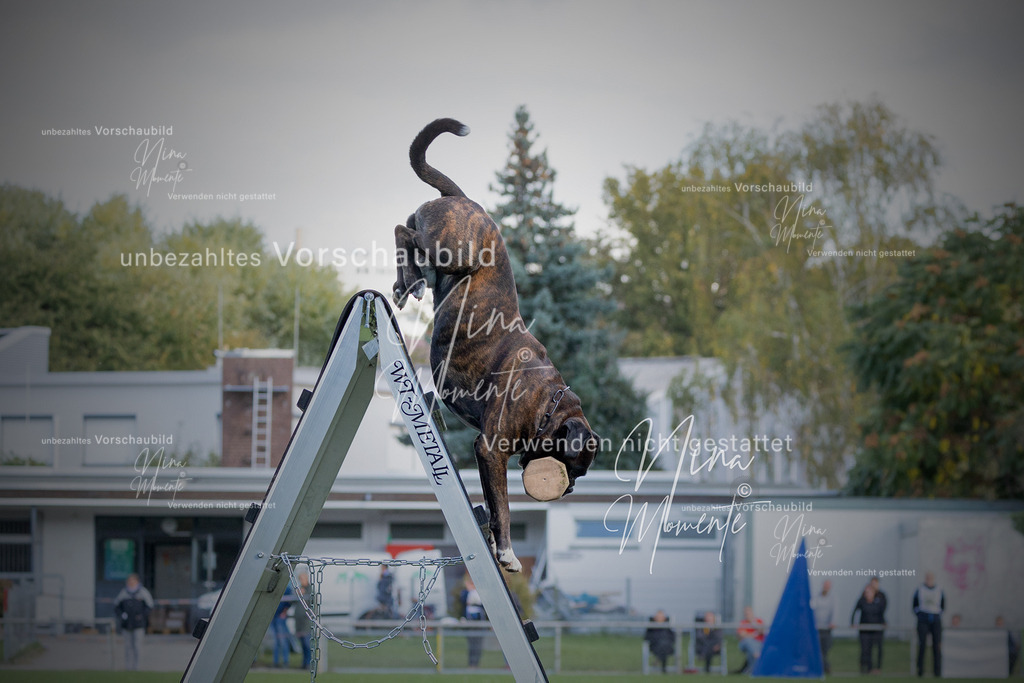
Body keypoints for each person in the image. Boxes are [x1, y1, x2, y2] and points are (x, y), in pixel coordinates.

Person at [114, 573, 154, 671]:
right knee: (127, 647)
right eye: (129, 581)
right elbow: (117, 606)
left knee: (137, 646)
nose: (131, 583)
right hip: (126, 624)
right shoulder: (124, 592)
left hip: (138, 624)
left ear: (137, 581)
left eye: (133, 581)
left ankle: (137, 667)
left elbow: (149, 607)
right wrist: (122, 615)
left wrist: (142, 616)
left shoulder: (143, 592)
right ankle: (128, 667)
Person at [912, 571, 945, 677]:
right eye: (927, 578)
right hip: (923, 620)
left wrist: (937, 615)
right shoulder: (920, 589)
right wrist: (920, 615)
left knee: (937, 647)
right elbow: (914, 605)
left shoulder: (939, 590)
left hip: (935, 620)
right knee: (922, 646)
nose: (929, 580)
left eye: (931, 578)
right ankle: (920, 671)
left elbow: (943, 605)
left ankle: (937, 672)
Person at [852, 583, 886, 674]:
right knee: (864, 649)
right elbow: (855, 611)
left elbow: (881, 614)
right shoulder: (862, 601)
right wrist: (852, 623)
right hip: (864, 629)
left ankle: (872, 668)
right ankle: (863, 667)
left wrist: (883, 622)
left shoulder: (877, 602)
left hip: (874, 629)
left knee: (872, 649)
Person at [811, 580, 837, 674]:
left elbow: (833, 612)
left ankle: (824, 667)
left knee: (824, 650)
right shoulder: (816, 598)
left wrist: (832, 622)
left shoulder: (832, 599)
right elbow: (812, 610)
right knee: (818, 650)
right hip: (817, 628)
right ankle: (823, 667)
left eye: (828, 586)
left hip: (827, 629)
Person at [461, 575, 485, 668]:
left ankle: (476, 663)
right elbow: (463, 601)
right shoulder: (466, 593)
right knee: (471, 644)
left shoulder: (480, 593)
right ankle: (471, 663)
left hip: (479, 623)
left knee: (478, 644)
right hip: (470, 623)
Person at [734, 605, 765, 674]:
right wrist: (754, 634)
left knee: (750, 651)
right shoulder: (743, 623)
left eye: (749, 613)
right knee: (748, 641)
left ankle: (753, 670)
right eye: (746, 613)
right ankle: (756, 656)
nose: (747, 615)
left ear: (752, 613)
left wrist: (753, 623)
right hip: (745, 644)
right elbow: (742, 635)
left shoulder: (758, 621)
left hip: (758, 643)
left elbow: (762, 631)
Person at [293, 573, 313, 670]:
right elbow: (292, 602)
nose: (301, 581)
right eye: (300, 579)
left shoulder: (310, 590)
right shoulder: (299, 589)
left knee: (307, 643)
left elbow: (313, 604)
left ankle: (309, 663)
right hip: (299, 622)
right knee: (302, 644)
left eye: (302, 578)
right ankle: (304, 663)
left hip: (306, 623)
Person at [271, 582, 293, 668]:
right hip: (273, 616)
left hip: (280, 617)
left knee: (282, 640)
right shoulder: (274, 586)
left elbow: (289, 601)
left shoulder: (287, 588)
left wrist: (284, 612)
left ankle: (285, 661)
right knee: (275, 641)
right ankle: (276, 662)